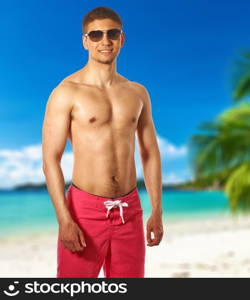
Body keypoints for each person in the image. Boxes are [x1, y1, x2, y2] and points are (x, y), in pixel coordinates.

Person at [41, 6, 163, 278]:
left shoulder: (137, 92)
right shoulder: (66, 93)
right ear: (85, 41)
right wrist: (64, 218)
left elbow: (150, 153)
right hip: (84, 211)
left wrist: (157, 210)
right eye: (95, 35)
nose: (105, 41)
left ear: (122, 38)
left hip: (129, 210)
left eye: (112, 33)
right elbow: (51, 159)